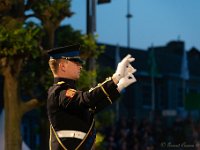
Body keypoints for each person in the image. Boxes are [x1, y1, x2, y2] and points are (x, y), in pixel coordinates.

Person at [47, 43, 137, 150]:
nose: (80, 66)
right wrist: (116, 78)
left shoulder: (66, 94)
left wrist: (120, 86)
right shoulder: (58, 92)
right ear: (62, 66)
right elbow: (87, 99)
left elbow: (93, 107)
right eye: (76, 62)